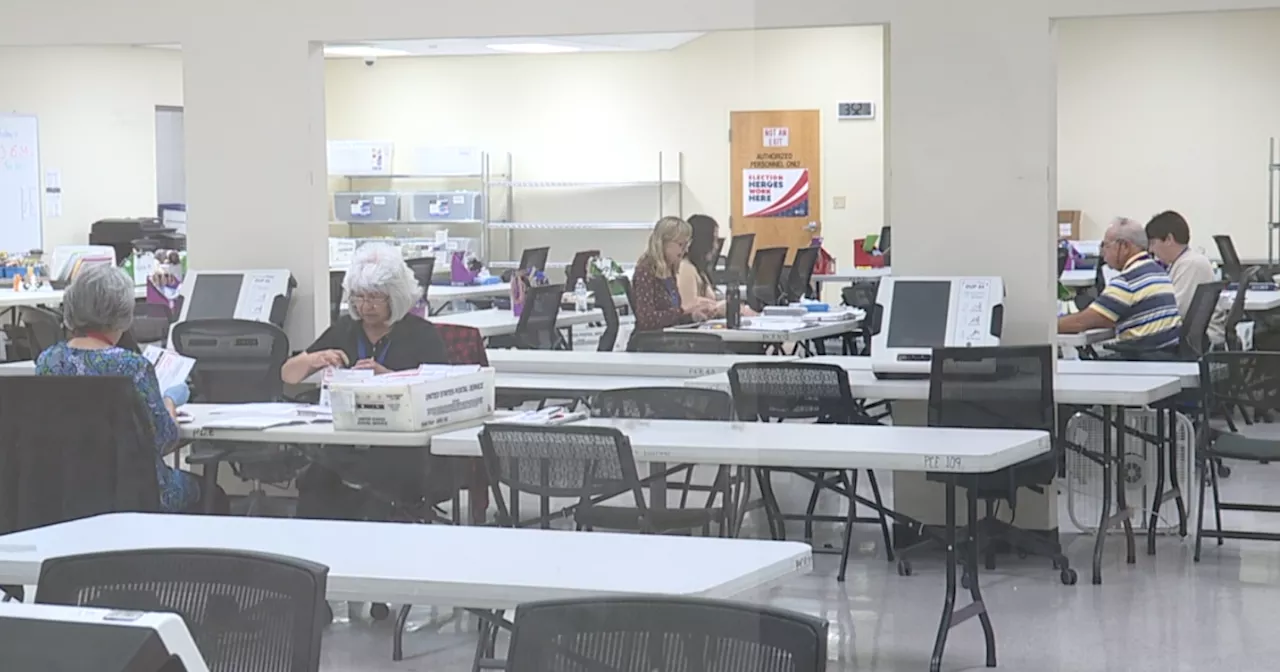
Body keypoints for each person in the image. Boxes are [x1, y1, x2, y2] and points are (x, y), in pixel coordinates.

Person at [35, 264, 228, 514]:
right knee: (215, 494)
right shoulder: (132, 366)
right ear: (123, 312)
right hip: (135, 489)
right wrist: (169, 400)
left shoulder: (48, 361)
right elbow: (162, 439)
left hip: (68, 490)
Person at [281, 243, 450, 519]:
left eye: (376, 298)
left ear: (395, 296)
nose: (366, 306)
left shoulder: (421, 334)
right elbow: (288, 374)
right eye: (359, 297)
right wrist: (314, 360)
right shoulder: (344, 330)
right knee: (315, 484)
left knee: (376, 494)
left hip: (398, 448)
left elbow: (439, 391)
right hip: (344, 445)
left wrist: (388, 379)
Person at [1058, 217, 1183, 357]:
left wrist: (1046, 327)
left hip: (1141, 362)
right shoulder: (1158, 271)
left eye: (1106, 245)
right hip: (1163, 357)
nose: (1103, 252)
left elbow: (1081, 322)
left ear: (1124, 247)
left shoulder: (1128, 280)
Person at [631, 216, 718, 332]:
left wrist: (693, 316)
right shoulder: (645, 271)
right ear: (664, 243)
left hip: (669, 335)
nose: (685, 250)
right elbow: (647, 320)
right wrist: (683, 310)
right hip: (653, 341)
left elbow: (673, 317)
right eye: (681, 245)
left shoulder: (670, 269)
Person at [676, 214, 756, 319]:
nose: (716, 246)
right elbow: (688, 308)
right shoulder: (686, 269)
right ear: (702, 240)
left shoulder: (698, 269)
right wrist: (718, 307)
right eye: (713, 240)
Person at [1145, 211, 1215, 315]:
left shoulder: (1191, 264)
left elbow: (1175, 311)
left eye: (1153, 243)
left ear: (1169, 239)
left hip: (1198, 331)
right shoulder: (1181, 262)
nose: (1150, 249)